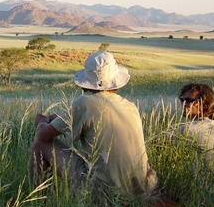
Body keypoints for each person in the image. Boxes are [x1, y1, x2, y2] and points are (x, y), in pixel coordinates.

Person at [28, 51, 157, 197]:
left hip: (105, 194)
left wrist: (42, 121)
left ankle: (38, 202)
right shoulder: (130, 106)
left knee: (40, 145)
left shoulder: (84, 103)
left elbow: (43, 135)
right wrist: (61, 120)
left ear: (86, 83)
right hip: (142, 189)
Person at [176, 83, 214, 190]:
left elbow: (154, 144)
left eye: (188, 101)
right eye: (182, 100)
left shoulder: (191, 129)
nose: (183, 105)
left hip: (206, 199)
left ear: (204, 104)